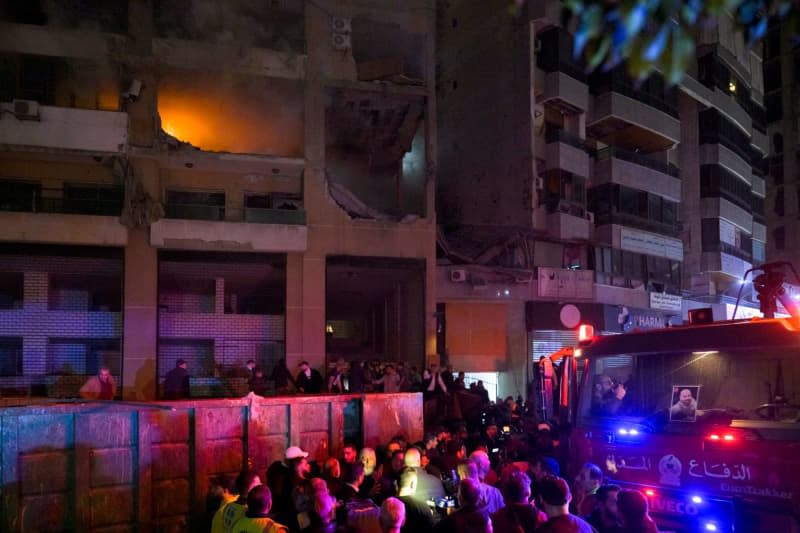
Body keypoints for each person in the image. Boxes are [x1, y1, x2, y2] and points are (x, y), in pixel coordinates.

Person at [211, 469, 262, 533]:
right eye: (259, 485)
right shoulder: (250, 512)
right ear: (252, 488)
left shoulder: (222, 511)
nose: (262, 487)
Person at [397, 468, 436, 533]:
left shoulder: (387, 503)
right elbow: (433, 528)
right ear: (412, 484)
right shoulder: (421, 506)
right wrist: (428, 513)